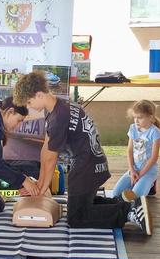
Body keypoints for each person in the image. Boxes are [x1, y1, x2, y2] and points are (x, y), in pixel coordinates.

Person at [13, 71, 151, 234]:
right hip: (92, 163)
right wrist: (39, 185)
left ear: (39, 94)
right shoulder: (57, 107)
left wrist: (41, 189)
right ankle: (123, 203)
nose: (29, 108)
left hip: (86, 168)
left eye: (29, 102)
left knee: (77, 217)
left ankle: (128, 212)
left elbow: (51, 159)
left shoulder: (58, 118)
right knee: (84, 203)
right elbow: (46, 148)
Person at [113, 100, 160, 202]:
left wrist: (140, 174)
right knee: (116, 194)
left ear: (151, 118)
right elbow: (129, 150)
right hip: (134, 169)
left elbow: (154, 158)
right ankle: (143, 185)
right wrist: (132, 170)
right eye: (135, 117)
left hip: (148, 171)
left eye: (140, 117)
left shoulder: (155, 132)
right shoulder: (133, 128)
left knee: (135, 196)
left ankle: (149, 183)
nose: (136, 120)